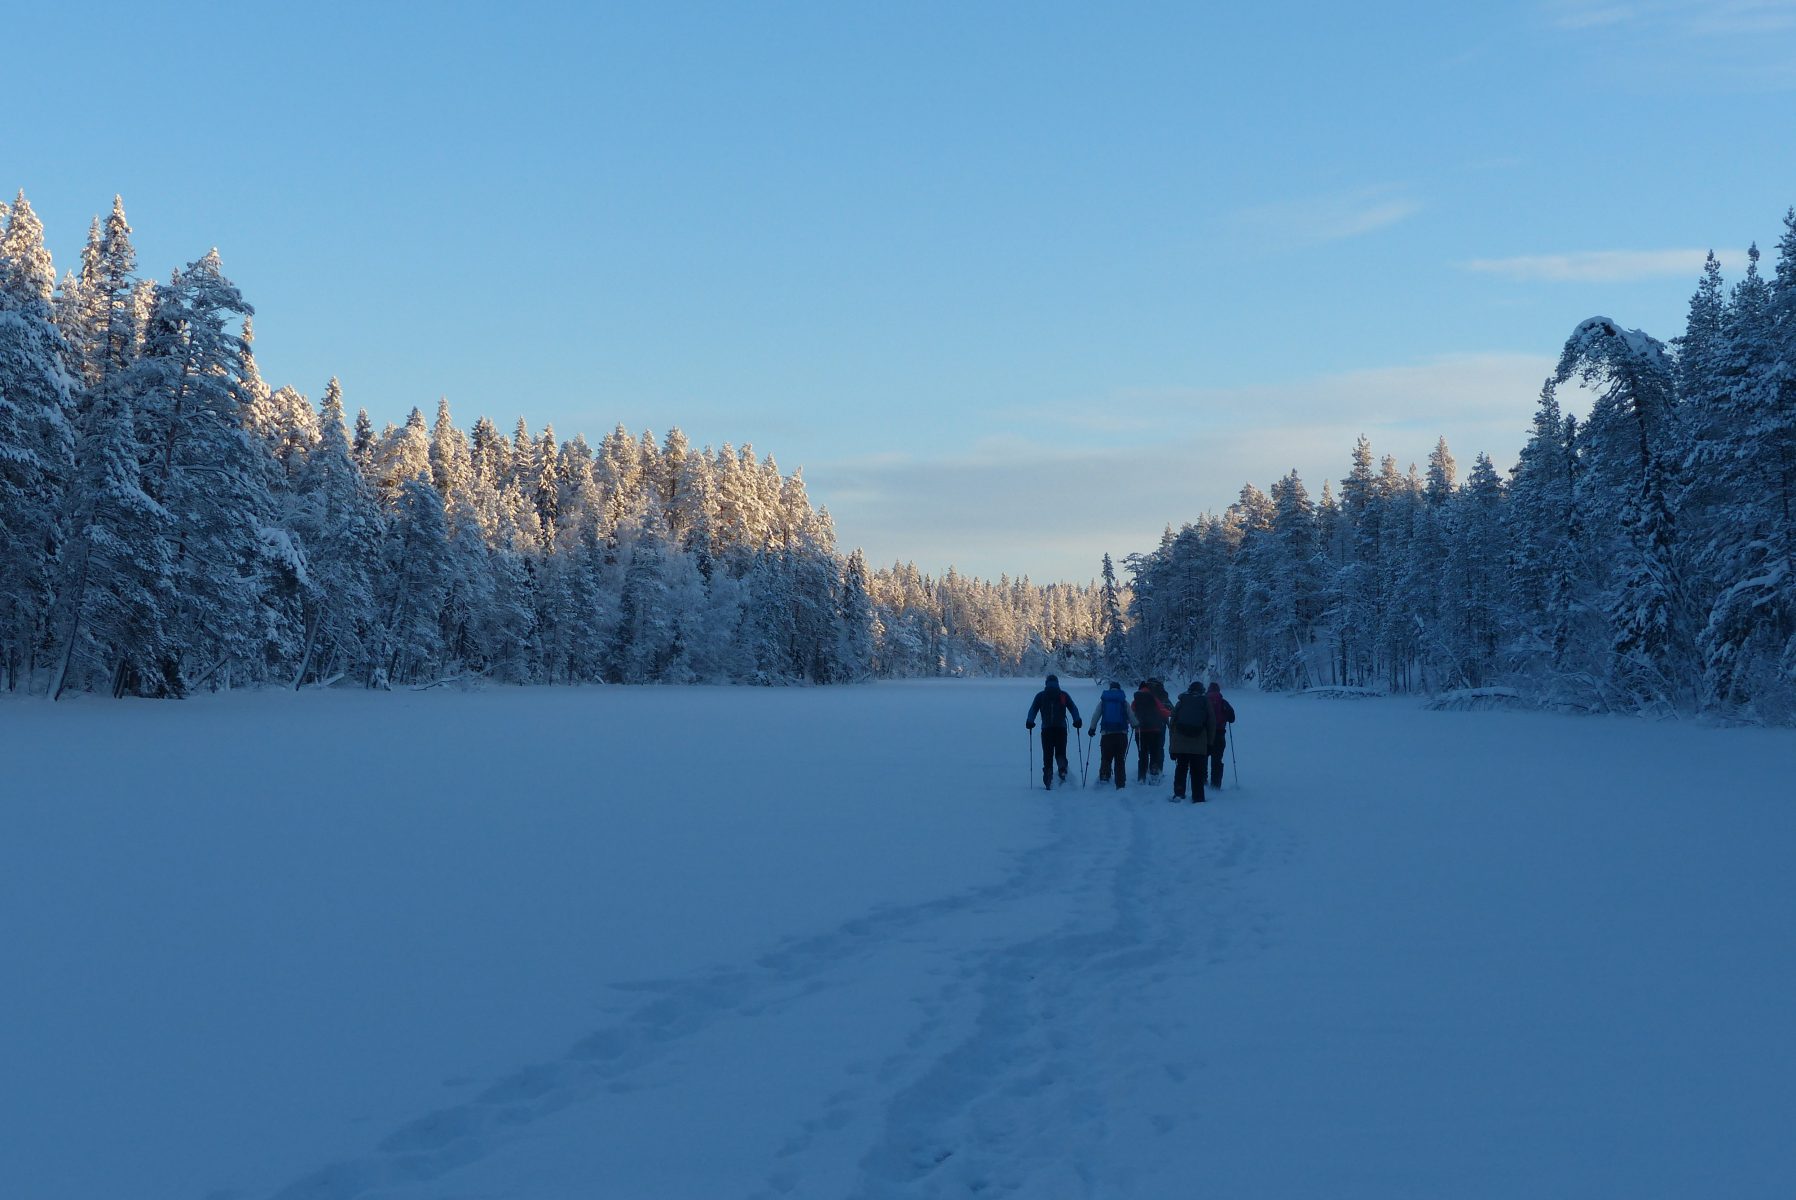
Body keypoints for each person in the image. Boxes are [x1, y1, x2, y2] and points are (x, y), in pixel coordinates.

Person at [1024, 674, 1082, 788]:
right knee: (1061, 752)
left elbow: (1033, 709)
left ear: (1046, 683)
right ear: (1057, 683)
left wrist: (1030, 721)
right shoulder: (1063, 695)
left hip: (1046, 730)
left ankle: (1048, 780)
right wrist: (1077, 720)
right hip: (1061, 729)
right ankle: (1062, 771)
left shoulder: (1041, 696)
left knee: (1047, 755)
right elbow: (1073, 708)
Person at [1167, 680, 1214, 803]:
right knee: (1197, 772)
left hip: (1181, 742)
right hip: (1199, 743)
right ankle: (1198, 797)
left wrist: (1173, 745)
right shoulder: (1205, 702)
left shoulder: (1182, 701)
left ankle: (1178, 794)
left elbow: (1172, 722)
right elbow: (1211, 723)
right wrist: (1210, 743)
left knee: (1181, 769)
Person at [1089, 679, 1137, 789]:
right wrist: (1135, 724)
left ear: (1110, 689)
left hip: (1106, 734)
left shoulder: (1104, 701)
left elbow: (1096, 715)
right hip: (1121, 735)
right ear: (1119, 689)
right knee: (1120, 759)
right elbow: (1131, 716)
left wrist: (1092, 728)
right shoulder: (1123, 702)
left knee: (1106, 757)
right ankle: (1120, 784)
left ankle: (1104, 778)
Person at [1131, 680, 1170, 784]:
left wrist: (1133, 723)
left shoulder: (1137, 698)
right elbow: (1162, 710)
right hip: (1154, 730)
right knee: (1154, 752)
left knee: (1142, 754)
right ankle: (1154, 774)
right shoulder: (1153, 697)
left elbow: (1131, 711)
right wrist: (1169, 714)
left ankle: (1141, 776)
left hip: (1140, 730)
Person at [1205, 681, 1237, 790]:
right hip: (1219, 734)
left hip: (1205, 734)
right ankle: (1215, 785)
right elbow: (1232, 719)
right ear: (1219, 691)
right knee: (1217, 760)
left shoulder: (1204, 701)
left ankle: (1202, 781)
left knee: (1202, 758)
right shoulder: (1223, 702)